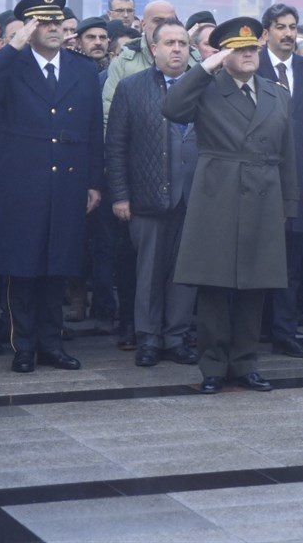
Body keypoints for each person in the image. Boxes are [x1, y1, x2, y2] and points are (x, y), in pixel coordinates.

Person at [0, 0, 103, 373]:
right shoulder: (11, 64)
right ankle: (24, 346)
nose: (53, 28)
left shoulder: (82, 69)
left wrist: (94, 182)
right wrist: (12, 46)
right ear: (29, 28)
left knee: (57, 265)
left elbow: (93, 130)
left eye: (57, 22)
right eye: (44, 23)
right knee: (22, 268)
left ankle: (51, 343)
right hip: (21, 182)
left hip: (67, 181)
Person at [165, 17, 298, 393]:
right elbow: (172, 108)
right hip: (218, 196)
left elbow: (288, 152)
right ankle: (213, 365)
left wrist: (288, 202)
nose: (249, 54)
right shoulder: (207, 88)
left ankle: (244, 362)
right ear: (224, 55)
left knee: (255, 286)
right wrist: (204, 68)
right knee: (214, 286)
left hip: (264, 194)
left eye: (252, 48)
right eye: (239, 50)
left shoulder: (276, 93)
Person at [106, 19, 200, 368]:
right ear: (154, 48)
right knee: (147, 272)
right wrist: (120, 195)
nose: (177, 49)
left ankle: (176, 337)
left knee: (185, 273)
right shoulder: (132, 87)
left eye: (183, 43)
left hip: (194, 198)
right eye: (170, 43)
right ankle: (148, 338)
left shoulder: (203, 85)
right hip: (148, 196)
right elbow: (116, 145)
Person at [257, 3, 303, 359]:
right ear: (266, 32)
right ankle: (255, 327)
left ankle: (285, 330)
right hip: (260, 180)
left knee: (294, 262)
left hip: (299, 181)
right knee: (258, 256)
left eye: (292, 27)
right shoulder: (252, 64)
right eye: (280, 27)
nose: (288, 33)